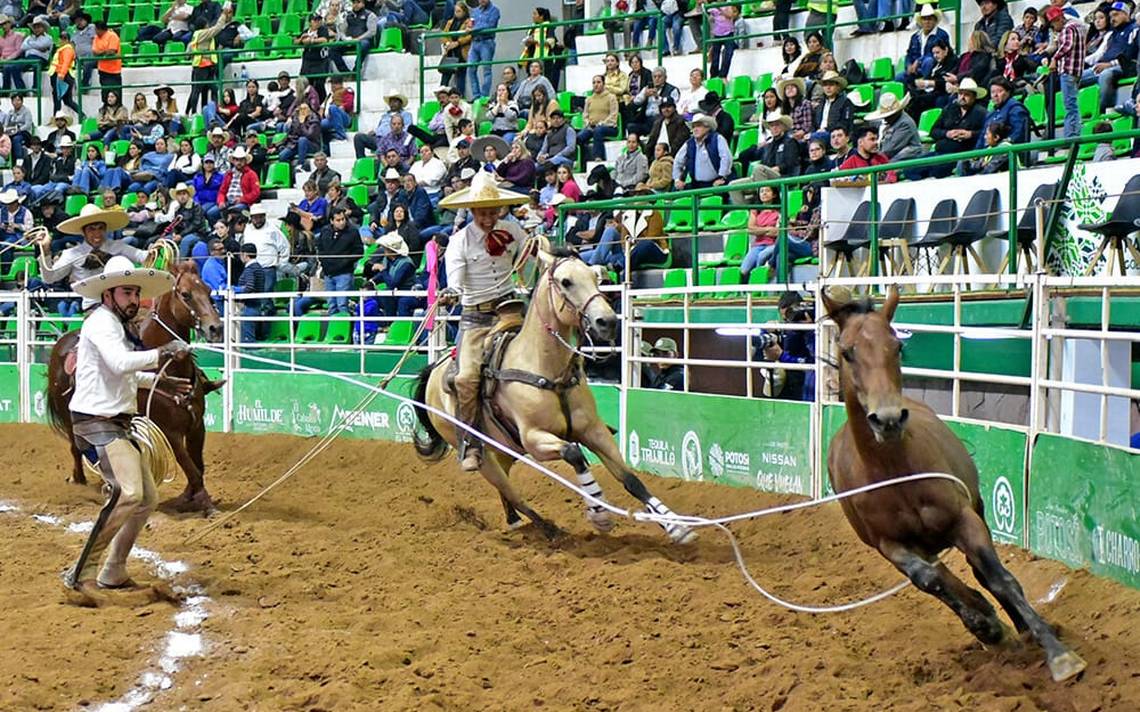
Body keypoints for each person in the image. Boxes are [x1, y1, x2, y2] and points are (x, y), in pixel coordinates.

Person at [63, 254, 191, 599]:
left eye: (135, 293)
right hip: (95, 422)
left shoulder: (113, 324)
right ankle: (80, 574)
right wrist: (163, 353)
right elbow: (120, 364)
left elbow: (122, 373)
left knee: (146, 497)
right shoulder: (103, 323)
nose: (133, 300)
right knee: (129, 493)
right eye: (126, 293)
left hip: (114, 421)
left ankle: (113, 571)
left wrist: (158, 382)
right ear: (109, 295)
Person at [438, 171, 528, 471]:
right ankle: (470, 445)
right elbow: (455, 278)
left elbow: (531, 257)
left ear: (500, 209)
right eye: (482, 212)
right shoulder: (459, 241)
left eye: (493, 212)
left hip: (511, 309)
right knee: (466, 378)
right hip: (475, 317)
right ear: (473, 211)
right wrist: (452, 291)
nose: (488, 218)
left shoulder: (514, 231)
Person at [906, 77, 987, 180]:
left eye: (966, 95)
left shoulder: (981, 113)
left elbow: (986, 134)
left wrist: (970, 134)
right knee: (910, 168)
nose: (962, 97)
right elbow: (934, 131)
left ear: (974, 97)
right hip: (940, 152)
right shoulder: (950, 108)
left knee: (936, 170)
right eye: (960, 93)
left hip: (961, 155)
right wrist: (947, 133)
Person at [1044, 5, 1085, 141]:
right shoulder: (1077, 26)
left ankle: (1071, 138)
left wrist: (1054, 59)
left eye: (1052, 24)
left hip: (1068, 70)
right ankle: (1073, 135)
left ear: (1058, 19)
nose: (1053, 28)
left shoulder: (1068, 28)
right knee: (1073, 103)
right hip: (1077, 70)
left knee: (1070, 105)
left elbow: (1067, 46)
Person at [672, 113, 731, 189]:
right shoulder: (689, 143)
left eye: (698, 126)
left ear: (707, 128)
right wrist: (677, 180)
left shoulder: (717, 139)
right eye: (693, 127)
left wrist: (722, 177)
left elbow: (726, 158)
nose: (695, 129)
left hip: (717, 182)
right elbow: (677, 161)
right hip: (697, 184)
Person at [242, 203, 289, 290]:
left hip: (267, 268)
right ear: (251, 218)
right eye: (255, 217)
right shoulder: (247, 229)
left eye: (260, 217)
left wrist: (281, 264)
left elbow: (284, 247)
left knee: (265, 295)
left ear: (264, 217)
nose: (258, 220)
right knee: (252, 295)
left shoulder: (273, 230)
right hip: (251, 268)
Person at [865, 92, 923, 163]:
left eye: (887, 116)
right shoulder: (891, 122)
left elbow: (889, 149)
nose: (885, 118)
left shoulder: (905, 124)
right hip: (893, 159)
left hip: (906, 161)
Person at [467, 0, 500, 100]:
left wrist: (473, 29)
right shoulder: (475, 11)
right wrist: (469, 27)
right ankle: (476, 96)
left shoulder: (495, 10)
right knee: (471, 69)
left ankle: (484, 96)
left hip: (486, 42)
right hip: (475, 42)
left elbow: (489, 25)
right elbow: (471, 24)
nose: (482, 0)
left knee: (486, 70)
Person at [234, 242, 266, 342]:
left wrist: (237, 292)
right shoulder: (259, 268)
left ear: (245, 254)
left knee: (248, 337)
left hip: (249, 306)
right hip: (257, 304)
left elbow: (249, 286)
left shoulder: (249, 269)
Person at [91, 20, 121, 102]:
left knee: (115, 95)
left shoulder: (112, 36)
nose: (95, 31)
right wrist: (104, 52)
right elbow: (94, 52)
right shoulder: (96, 38)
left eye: (96, 29)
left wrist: (101, 53)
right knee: (105, 94)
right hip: (102, 70)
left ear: (100, 29)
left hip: (114, 71)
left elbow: (111, 52)